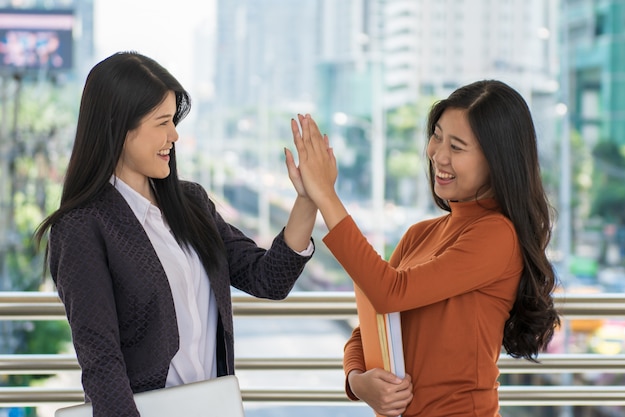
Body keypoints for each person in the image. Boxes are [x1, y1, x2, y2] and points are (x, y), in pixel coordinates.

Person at [35, 51, 318, 417]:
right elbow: (102, 362)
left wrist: (308, 199)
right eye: (162, 122)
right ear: (119, 128)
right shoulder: (81, 228)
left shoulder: (192, 202)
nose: (175, 135)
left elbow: (268, 279)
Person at [288, 80, 561, 417]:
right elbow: (371, 325)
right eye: (437, 135)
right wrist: (357, 381)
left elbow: (389, 292)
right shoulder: (420, 234)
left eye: (457, 147)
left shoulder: (497, 235)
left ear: (496, 161)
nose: (438, 155)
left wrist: (325, 196)